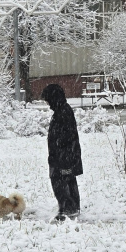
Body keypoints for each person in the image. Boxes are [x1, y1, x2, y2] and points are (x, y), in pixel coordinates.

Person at [41, 84, 83, 221]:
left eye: (48, 100)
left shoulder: (63, 113)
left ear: (54, 98)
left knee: (61, 182)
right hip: (64, 156)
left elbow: (65, 137)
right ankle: (70, 208)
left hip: (64, 157)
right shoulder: (62, 110)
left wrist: (59, 155)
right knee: (67, 181)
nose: (48, 105)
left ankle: (68, 210)